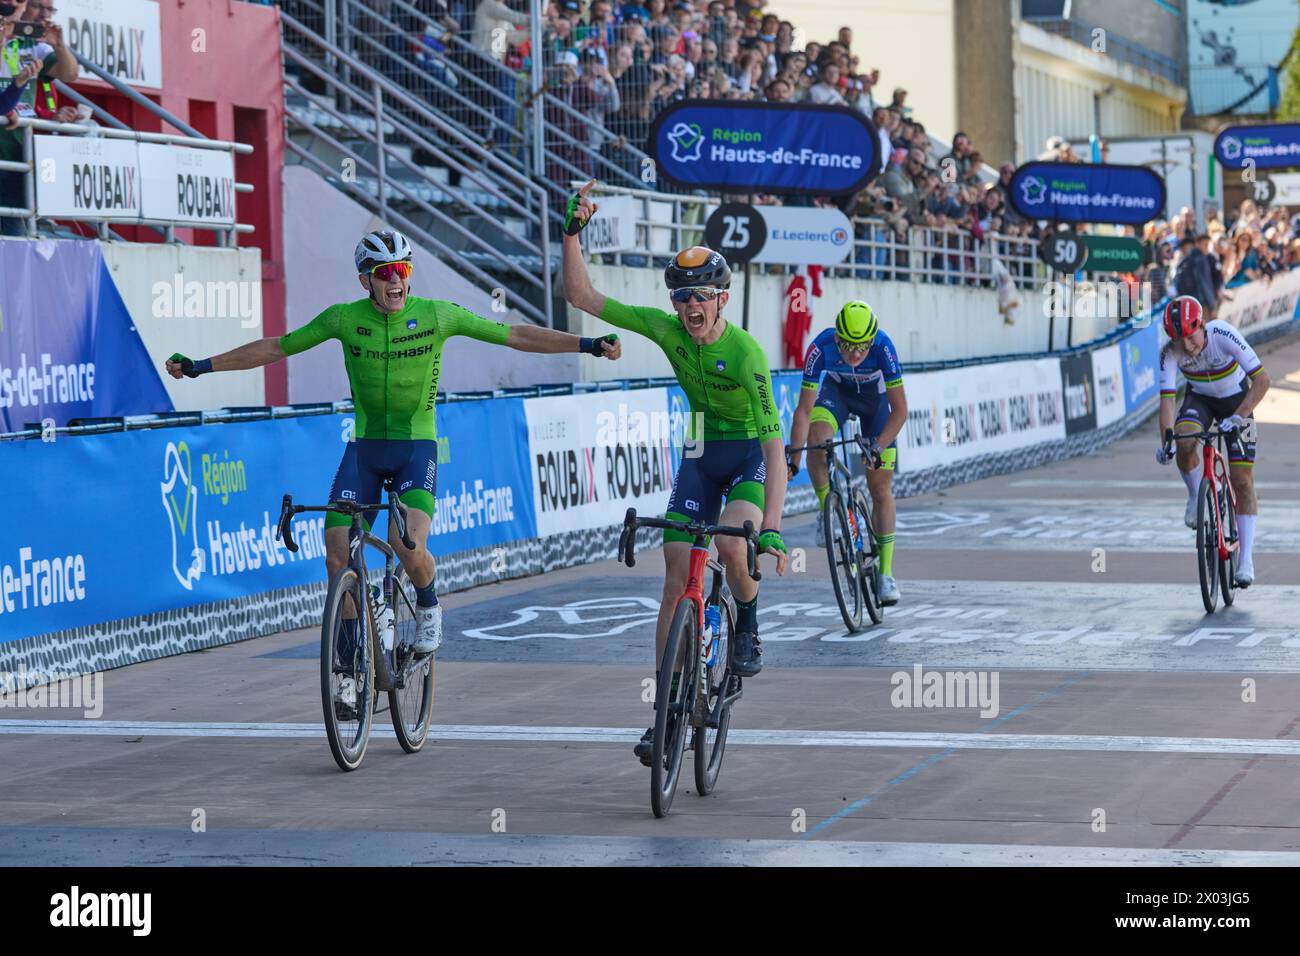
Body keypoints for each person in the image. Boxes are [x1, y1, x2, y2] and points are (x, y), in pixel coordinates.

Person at [165, 229, 621, 687]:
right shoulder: (344, 319)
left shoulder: (437, 316)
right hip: (364, 448)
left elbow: (516, 335)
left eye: (402, 270)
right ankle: (346, 672)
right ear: (366, 280)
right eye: (385, 273)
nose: (395, 280)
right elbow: (275, 348)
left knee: (408, 547)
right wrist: (203, 365)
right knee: (336, 554)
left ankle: (428, 603)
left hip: (415, 448)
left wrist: (585, 344)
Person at [560, 180, 789, 766]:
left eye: (702, 296)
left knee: (735, 553)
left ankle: (748, 624)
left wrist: (774, 527)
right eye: (681, 297)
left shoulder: (746, 355)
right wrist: (571, 232)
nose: (690, 307)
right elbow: (582, 294)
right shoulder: (666, 329)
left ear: (722, 300)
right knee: (674, 572)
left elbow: (773, 450)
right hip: (699, 447)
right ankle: (664, 711)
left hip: (743, 457)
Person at [787, 301, 908, 606]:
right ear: (837, 337)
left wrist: (877, 445)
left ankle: (885, 573)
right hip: (837, 394)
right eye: (848, 346)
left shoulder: (884, 348)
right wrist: (795, 458)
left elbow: (901, 411)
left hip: (875, 405)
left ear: (873, 340)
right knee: (818, 439)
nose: (855, 354)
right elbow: (802, 410)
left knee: (880, 489)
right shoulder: (821, 347)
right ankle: (826, 506)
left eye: (862, 347)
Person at [1156, 295, 1270, 585]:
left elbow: (1262, 380)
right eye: (1181, 343)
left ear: (1202, 325)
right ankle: (1196, 495)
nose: (1189, 348)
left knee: (1242, 480)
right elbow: (1168, 401)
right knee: (1183, 441)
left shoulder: (1223, 334)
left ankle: (1245, 561)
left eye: (1192, 338)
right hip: (1201, 401)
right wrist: (1165, 441)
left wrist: (1241, 416)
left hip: (1237, 402)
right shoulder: (1169, 353)